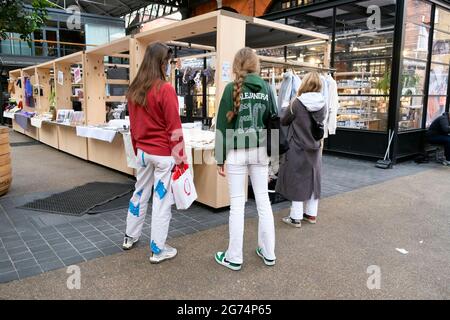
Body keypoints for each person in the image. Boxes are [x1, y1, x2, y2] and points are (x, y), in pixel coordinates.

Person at [214, 47, 278, 271]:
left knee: (237, 204)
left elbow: (222, 125)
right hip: (260, 150)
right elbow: (274, 122)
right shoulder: (267, 88)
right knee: (263, 201)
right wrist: (275, 159)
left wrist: (219, 158)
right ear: (255, 64)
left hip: (235, 151)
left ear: (236, 65)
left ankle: (234, 257)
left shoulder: (232, 89)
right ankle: (268, 252)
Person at [123, 42, 186, 264]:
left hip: (142, 153)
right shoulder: (165, 89)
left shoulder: (133, 90)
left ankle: (130, 236)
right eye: (167, 63)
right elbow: (174, 127)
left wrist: (138, 148)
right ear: (161, 63)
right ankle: (158, 249)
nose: (168, 66)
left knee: (139, 193)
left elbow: (132, 127)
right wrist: (181, 159)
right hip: (162, 156)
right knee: (161, 201)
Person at [276, 72, 326, 227]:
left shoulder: (297, 103)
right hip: (315, 147)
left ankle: (295, 217)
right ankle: (311, 215)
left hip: (297, 147)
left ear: (304, 84)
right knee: (313, 180)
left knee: (297, 180)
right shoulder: (323, 103)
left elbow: (284, 120)